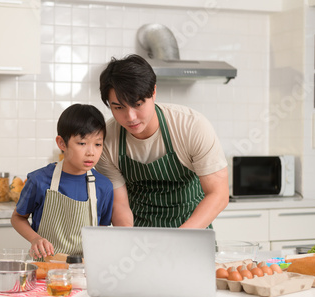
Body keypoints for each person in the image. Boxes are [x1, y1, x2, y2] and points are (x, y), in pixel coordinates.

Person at [96, 54, 229, 229]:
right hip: (140, 236)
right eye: (119, 107)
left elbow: (218, 194)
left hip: (192, 231)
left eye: (137, 104)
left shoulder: (191, 126)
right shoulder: (106, 141)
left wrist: (179, 237)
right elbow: (120, 206)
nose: (130, 117)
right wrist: (127, 243)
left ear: (153, 92)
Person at [11, 104, 114, 259]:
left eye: (98, 144)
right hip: (44, 270)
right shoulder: (39, 181)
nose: (91, 152)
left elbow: (101, 229)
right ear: (62, 143)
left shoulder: (104, 186)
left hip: (85, 272)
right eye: (82, 143)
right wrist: (35, 239)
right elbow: (17, 218)